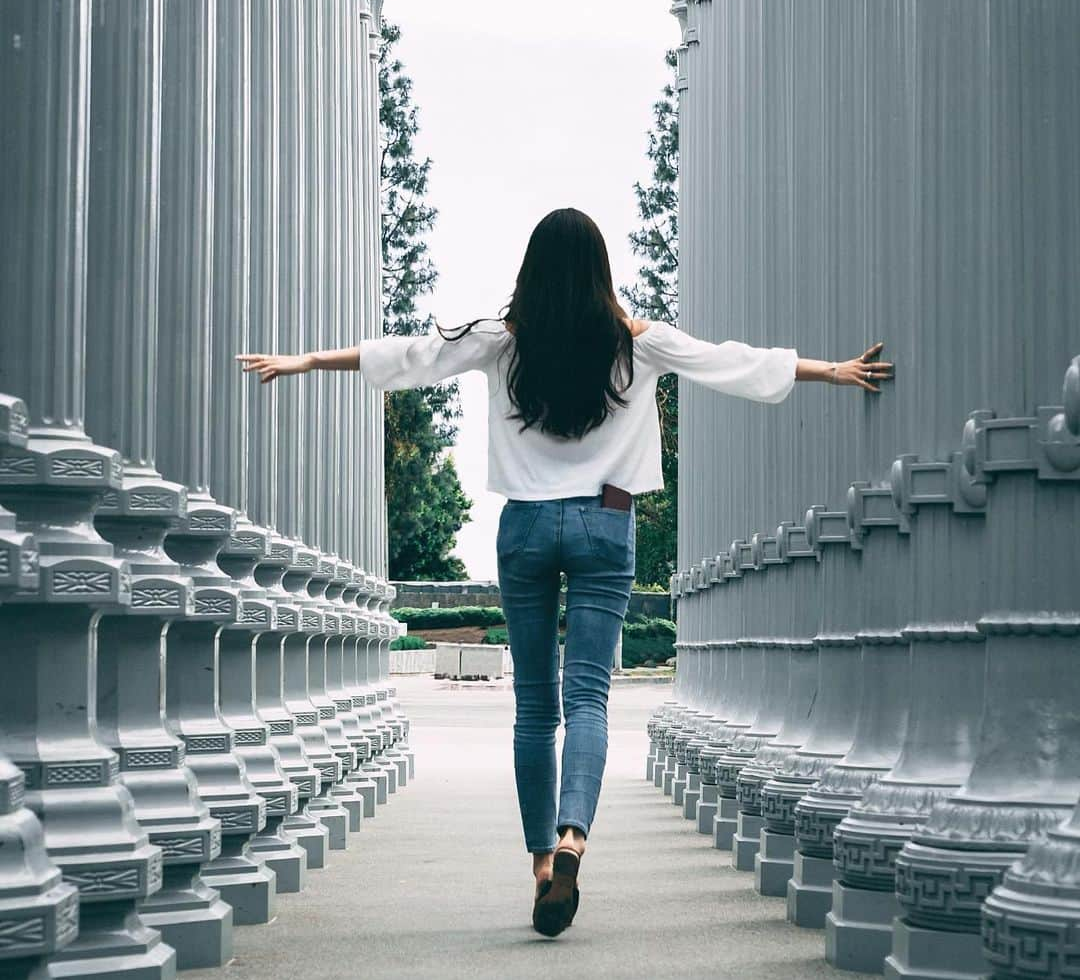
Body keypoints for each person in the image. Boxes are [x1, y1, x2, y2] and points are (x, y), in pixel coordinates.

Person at [237, 206, 893, 937]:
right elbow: (732, 362)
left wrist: (304, 362)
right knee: (588, 698)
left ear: (532, 271)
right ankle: (575, 837)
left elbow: (411, 356)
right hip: (604, 524)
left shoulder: (501, 341)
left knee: (533, 705)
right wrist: (833, 371)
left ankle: (542, 864)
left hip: (524, 526)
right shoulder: (637, 343)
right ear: (600, 271)